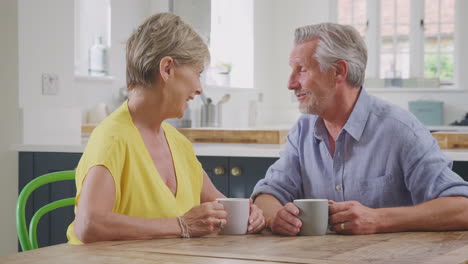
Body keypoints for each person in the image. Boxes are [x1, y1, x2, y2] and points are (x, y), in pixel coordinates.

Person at [252, 23, 468, 235]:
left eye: (302, 70)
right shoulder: (303, 130)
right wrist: (277, 216)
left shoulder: (401, 131)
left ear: (338, 71)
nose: (290, 83)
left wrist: (379, 219)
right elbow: (267, 195)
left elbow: (462, 208)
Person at [67, 13, 265, 244]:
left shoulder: (177, 142)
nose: (200, 88)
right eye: (197, 73)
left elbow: (221, 208)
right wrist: (181, 225)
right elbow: (88, 224)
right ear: (167, 69)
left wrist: (249, 215)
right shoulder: (113, 139)